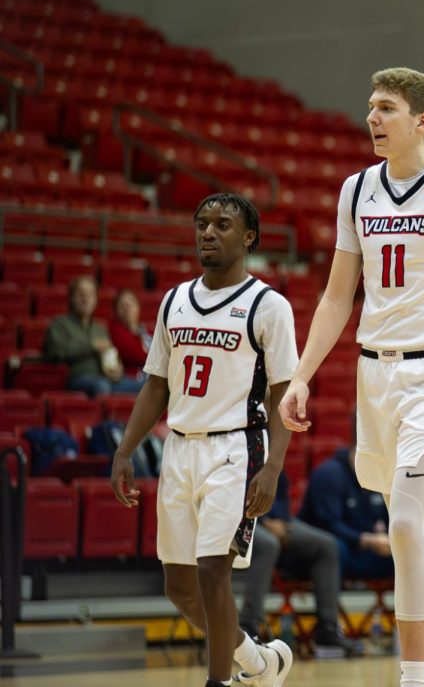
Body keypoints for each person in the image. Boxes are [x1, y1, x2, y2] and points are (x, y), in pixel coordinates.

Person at [280, 67, 424, 687]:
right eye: (370, 107)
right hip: (374, 373)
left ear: (421, 121)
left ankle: (409, 677)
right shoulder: (356, 191)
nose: (372, 119)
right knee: (420, 530)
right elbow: (334, 298)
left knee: (405, 521)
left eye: (385, 109)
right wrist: (301, 376)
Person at [109, 193, 298, 687]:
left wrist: (273, 465)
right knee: (179, 587)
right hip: (180, 446)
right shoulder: (174, 301)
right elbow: (156, 384)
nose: (208, 233)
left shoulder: (268, 306)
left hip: (237, 448)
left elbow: (284, 394)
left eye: (222, 224)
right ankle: (258, 663)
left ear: (249, 237)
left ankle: (219, 682)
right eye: (201, 224)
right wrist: (125, 450)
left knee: (214, 571)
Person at [238, 468, 364, 658]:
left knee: (327, 545)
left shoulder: (271, 449)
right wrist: (263, 521)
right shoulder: (236, 443)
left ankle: (327, 630)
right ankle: (248, 627)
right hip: (239, 520)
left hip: (275, 519)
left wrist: (279, 520)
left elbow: (280, 492)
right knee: (268, 545)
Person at [300, 443, 392, 581]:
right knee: (335, 548)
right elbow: (328, 525)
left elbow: (386, 518)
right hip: (337, 547)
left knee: (405, 549)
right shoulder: (329, 474)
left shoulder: (378, 477)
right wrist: (367, 540)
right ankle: (330, 601)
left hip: (368, 548)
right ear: (357, 451)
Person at [43, 275, 141, 396]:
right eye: (81, 294)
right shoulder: (60, 324)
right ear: (71, 298)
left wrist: (118, 370)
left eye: (90, 294)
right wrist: (91, 345)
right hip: (77, 378)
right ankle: (105, 415)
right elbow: (55, 352)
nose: (86, 298)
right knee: (101, 386)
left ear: (95, 300)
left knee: (144, 387)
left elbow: (111, 355)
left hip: (107, 379)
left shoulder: (100, 328)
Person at [108, 288, 152, 382]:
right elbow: (135, 355)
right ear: (116, 310)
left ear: (138, 307)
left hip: (150, 379)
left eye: (130, 304)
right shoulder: (115, 329)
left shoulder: (144, 330)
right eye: (122, 305)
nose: (127, 308)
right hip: (131, 378)